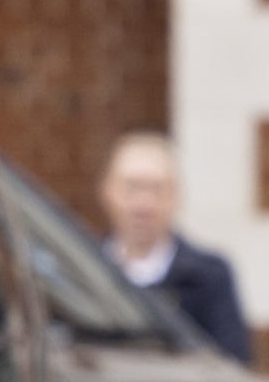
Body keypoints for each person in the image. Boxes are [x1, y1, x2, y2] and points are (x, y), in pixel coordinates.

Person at [98, 132, 252, 362]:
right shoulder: (86, 273)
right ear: (107, 192)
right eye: (132, 188)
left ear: (176, 196)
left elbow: (234, 364)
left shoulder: (210, 277)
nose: (143, 204)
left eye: (156, 189)